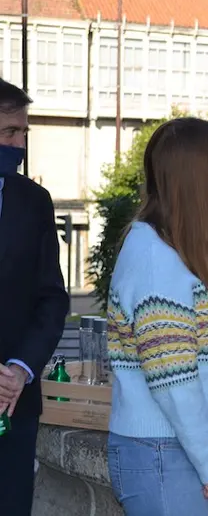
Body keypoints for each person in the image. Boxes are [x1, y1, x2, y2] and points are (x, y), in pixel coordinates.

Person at [106, 117, 208, 515]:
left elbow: (171, 322)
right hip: (165, 454)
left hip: (169, 450)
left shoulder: (165, 252)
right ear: (196, 177)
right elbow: (172, 378)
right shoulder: (156, 262)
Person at [0, 78, 69, 514]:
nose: (20, 143)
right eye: (10, 132)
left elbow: (52, 297)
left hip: (15, 403)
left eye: (24, 132)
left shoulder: (35, 201)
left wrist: (20, 369)